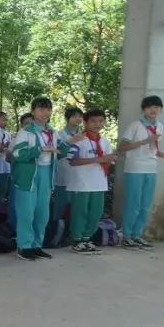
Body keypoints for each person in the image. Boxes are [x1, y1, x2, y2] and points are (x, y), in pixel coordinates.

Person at [10, 97, 74, 261]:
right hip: (28, 176)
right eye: (41, 109)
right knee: (26, 212)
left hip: (46, 173)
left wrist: (70, 142)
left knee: (42, 213)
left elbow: (61, 151)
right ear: (33, 111)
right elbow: (17, 154)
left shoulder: (53, 131)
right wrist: (40, 149)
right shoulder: (25, 131)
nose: (45, 113)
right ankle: (24, 247)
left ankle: (37, 245)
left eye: (48, 109)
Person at [118, 95, 164, 248]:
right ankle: (126, 235)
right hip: (135, 168)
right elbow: (121, 148)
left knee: (145, 205)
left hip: (151, 168)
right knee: (133, 203)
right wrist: (145, 141)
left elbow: (153, 149)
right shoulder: (135, 125)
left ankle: (137, 235)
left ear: (160, 110)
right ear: (144, 109)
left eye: (157, 107)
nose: (154, 110)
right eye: (150, 107)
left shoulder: (160, 127)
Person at [66, 109, 115, 254]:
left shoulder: (104, 141)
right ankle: (76, 239)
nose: (97, 124)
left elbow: (107, 159)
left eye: (100, 121)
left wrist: (110, 159)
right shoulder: (79, 139)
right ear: (85, 122)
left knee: (96, 212)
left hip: (99, 183)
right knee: (80, 212)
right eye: (93, 121)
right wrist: (96, 159)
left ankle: (87, 238)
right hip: (82, 183)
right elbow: (72, 161)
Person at [53, 107, 85, 223]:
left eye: (80, 116)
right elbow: (57, 154)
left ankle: (71, 231)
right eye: (74, 116)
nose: (78, 119)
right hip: (63, 174)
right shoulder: (59, 134)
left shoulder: (84, 134)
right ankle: (57, 230)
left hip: (79, 175)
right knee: (61, 204)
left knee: (76, 206)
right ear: (67, 118)